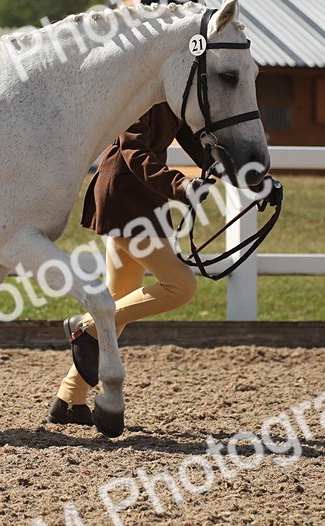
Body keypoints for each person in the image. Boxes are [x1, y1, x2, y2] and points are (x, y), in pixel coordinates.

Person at [47, 102, 212, 426]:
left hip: (140, 199)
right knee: (180, 286)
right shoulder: (142, 93)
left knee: (120, 296)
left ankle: (68, 400)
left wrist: (250, 178)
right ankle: (88, 328)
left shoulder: (174, 95)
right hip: (126, 198)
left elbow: (199, 143)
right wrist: (180, 185)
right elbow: (133, 148)